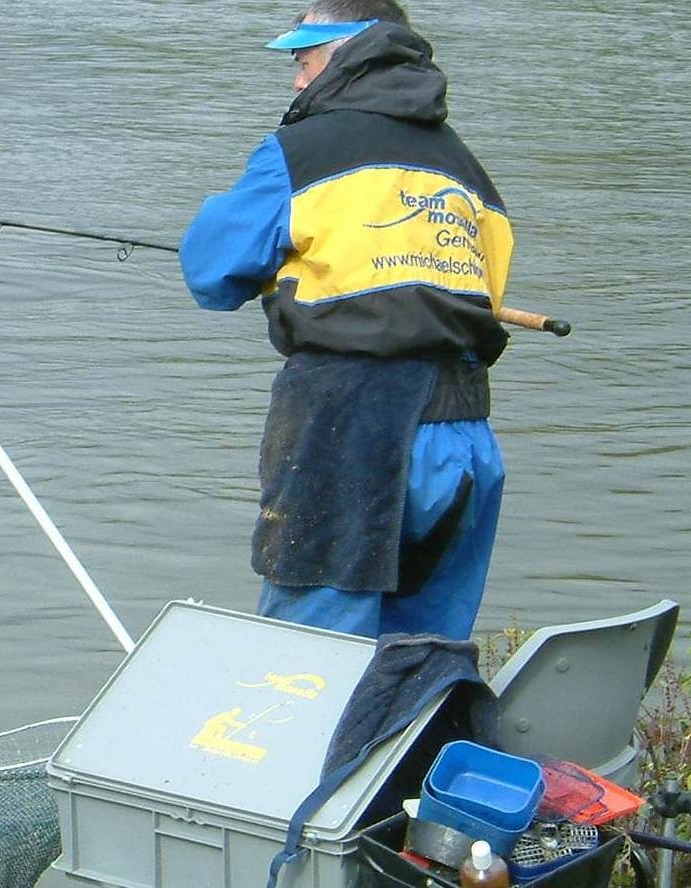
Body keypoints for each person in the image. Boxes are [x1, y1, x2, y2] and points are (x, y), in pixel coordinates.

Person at [179, 0, 512, 640]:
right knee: (423, 656)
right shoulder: (468, 170)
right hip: (465, 434)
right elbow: (485, 289)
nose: (296, 80)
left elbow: (211, 272)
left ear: (348, 53)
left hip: (350, 429)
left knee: (306, 657)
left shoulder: (301, 152)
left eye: (303, 60)